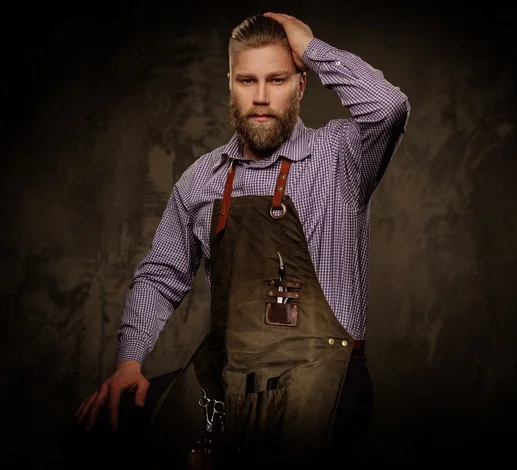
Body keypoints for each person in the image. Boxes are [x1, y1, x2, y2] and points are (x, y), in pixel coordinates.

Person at [68, 11, 410, 470]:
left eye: (278, 79)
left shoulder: (341, 157)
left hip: (324, 376)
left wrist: (311, 48)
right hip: (228, 377)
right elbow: (159, 276)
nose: (263, 97)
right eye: (248, 81)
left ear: (301, 83)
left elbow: (389, 106)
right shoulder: (201, 179)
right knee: (108, 430)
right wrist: (129, 361)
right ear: (229, 83)